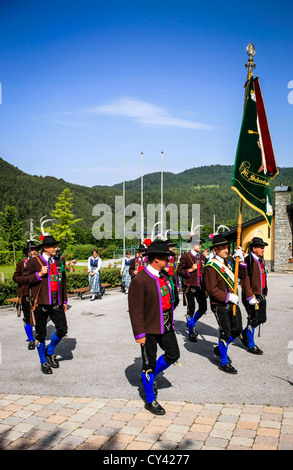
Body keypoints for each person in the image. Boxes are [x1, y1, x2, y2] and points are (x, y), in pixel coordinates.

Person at [128, 240, 180, 415]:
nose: (168, 260)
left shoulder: (164, 275)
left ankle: (147, 378)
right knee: (148, 363)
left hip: (166, 324)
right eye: (166, 257)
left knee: (173, 354)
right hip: (149, 328)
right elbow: (135, 310)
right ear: (156, 258)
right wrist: (139, 333)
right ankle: (150, 399)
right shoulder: (140, 279)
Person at [22, 234, 68, 375]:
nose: (56, 248)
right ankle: (43, 361)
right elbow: (21, 279)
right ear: (46, 248)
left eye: (56, 246)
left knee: (62, 329)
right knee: (41, 335)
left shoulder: (60, 260)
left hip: (56, 303)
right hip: (40, 304)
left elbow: (63, 281)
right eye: (54, 246)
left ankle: (50, 350)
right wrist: (38, 274)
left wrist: (64, 300)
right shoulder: (35, 262)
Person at [204, 234, 247, 374]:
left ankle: (220, 348)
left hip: (232, 301)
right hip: (220, 303)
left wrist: (241, 261)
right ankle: (223, 362)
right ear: (215, 250)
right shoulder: (211, 266)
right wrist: (228, 297)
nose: (226, 250)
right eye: (223, 248)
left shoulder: (228, 260)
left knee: (237, 329)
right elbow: (212, 290)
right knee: (225, 332)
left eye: (227, 247)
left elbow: (241, 275)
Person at [240, 236, 268, 355]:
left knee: (262, 318)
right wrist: (250, 296)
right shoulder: (248, 260)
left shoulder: (260, 260)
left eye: (263, 248)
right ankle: (251, 345)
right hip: (251, 295)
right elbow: (244, 280)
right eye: (261, 248)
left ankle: (244, 334)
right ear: (254, 248)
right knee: (253, 319)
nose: (263, 250)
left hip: (260, 293)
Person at [176, 235, 207, 341]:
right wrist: (190, 270)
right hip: (189, 286)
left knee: (203, 308)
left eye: (200, 244)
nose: (200, 246)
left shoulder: (203, 258)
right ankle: (191, 332)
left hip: (201, 287)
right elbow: (179, 272)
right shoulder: (185, 257)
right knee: (191, 308)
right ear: (193, 244)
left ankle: (192, 323)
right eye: (198, 244)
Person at [12, 241, 39, 350]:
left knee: (39, 317)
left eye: (35, 249)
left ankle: (38, 337)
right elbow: (15, 277)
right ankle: (31, 340)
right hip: (26, 295)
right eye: (31, 250)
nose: (34, 252)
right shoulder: (21, 264)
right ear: (27, 252)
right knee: (27, 318)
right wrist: (25, 279)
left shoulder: (39, 263)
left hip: (38, 295)